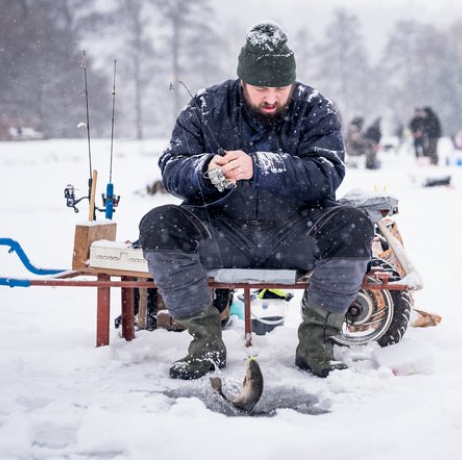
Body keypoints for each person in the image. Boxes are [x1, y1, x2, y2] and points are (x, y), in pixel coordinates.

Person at [138, 21, 374, 380]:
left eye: (281, 88)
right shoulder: (207, 106)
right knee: (159, 224)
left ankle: (316, 345)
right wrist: (205, 170)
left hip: (296, 233)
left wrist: (261, 167)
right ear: (242, 80)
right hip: (221, 231)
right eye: (261, 88)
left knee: (354, 225)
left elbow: (327, 174)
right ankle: (205, 342)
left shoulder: (316, 108)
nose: (271, 98)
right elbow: (172, 168)